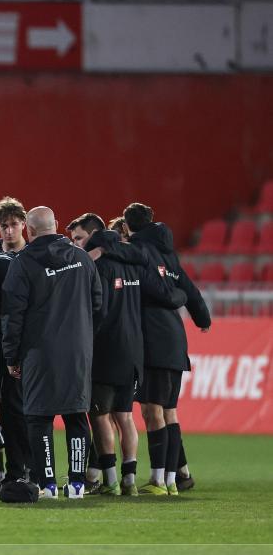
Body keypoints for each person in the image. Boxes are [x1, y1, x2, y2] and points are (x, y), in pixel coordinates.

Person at [68, 212, 187, 496]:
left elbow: (99, 310)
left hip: (106, 351)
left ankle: (109, 480)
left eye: (80, 239)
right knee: (125, 416)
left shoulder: (100, 267)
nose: (77, 245)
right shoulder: (136, 265)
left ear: (95, 238)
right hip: (135, 353)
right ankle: (130, 480)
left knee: (100, 417)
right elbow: (160, 288)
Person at [2, 206, 102, 500]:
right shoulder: (82, 259)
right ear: (57, 225)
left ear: (29, 231)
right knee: (76, 417)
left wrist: (11, 357)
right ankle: (77, 484)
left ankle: (47, 485)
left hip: (38, 354)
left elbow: (12, 314)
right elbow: (98, 303)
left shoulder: (22, 263)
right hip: (77, 353)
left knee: (38, 418)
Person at [124, 203, 210, 495]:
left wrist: (174, 296)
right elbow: (191, 290)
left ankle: (160, 480)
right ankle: (176, 478)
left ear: (127, 227)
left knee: (152, 411)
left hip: (154, 341)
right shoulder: (169, 255)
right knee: (169, 411)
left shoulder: (139, 252)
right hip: (174, 339)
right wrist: (203, 319)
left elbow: (155, 289)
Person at [0, 196, 29, 494]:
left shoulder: (34, 255)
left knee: (17, 408)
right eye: (4, 226)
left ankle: (21, 468)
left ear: (24, 225)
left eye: (14, 225)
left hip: (23, 344)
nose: (9, 231)